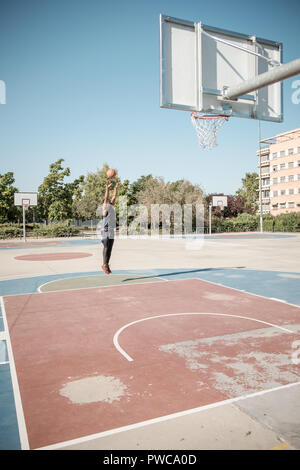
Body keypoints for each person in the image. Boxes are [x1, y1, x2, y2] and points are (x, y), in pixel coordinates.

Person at [101, 180, 121, 274]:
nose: (109, 200)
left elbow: (114, 196)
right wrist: (107, 188)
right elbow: (106, 197)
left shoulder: (111, 206)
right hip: (106, 230)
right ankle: (104, 264)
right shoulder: (105, 208)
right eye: (107, 200)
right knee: (106, 247)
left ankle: (107, 264)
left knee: (110, 249)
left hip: (111, 230)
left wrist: (116, 188)